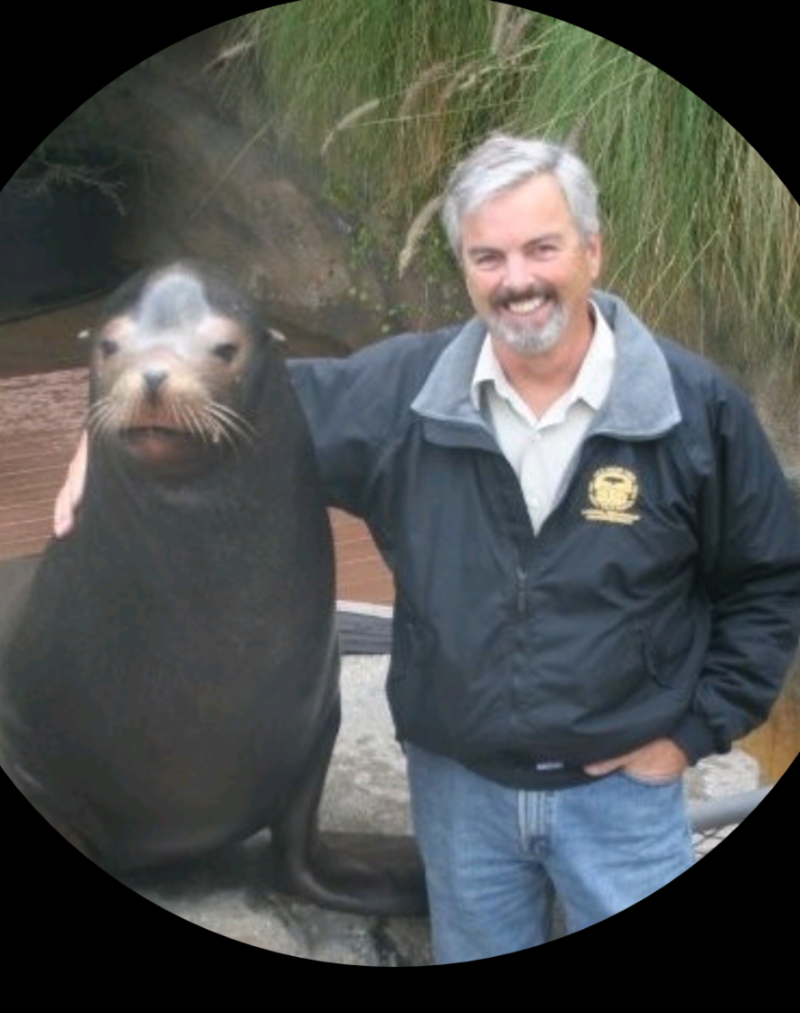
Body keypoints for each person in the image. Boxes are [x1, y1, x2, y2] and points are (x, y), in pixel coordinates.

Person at [55, 134, 800, 963]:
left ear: (593, 250)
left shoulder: (694, 408)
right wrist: (106, 432)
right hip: (461, 799)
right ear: (465, 267)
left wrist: (693, 732)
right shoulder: (401, 393)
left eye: (542, 248)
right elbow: (224, 393)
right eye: (489, 256)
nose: (517, 280)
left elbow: (769, 582)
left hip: (621, 799)